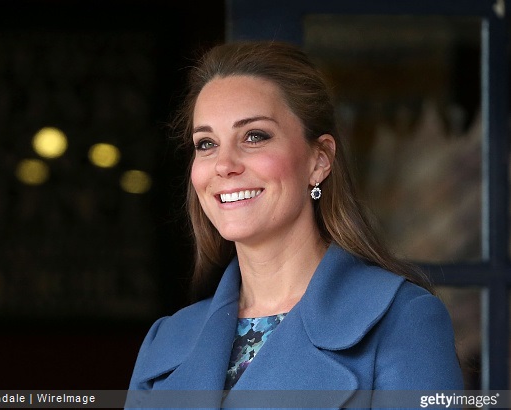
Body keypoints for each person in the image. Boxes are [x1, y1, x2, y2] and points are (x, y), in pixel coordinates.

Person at [126, 41, 463, 408]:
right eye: (206, 143)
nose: (224, 164)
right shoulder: (165, 341)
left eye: (254, 136)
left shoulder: (404, 320)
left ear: (319, 161)